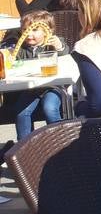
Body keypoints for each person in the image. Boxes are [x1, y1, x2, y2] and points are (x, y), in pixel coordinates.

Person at [9, 11, 67, 140]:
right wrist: (10, 58)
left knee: (49, 108)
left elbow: (65, 55)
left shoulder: (53, 44)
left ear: (48, 30)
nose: (29, 34)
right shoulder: (21, 49)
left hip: (53, 87)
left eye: (35, 30)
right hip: (31, 88)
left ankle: (60, 141)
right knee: (22, 112)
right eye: (25, 30)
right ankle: (24, 146)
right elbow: (13, 63)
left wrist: (59, 46)